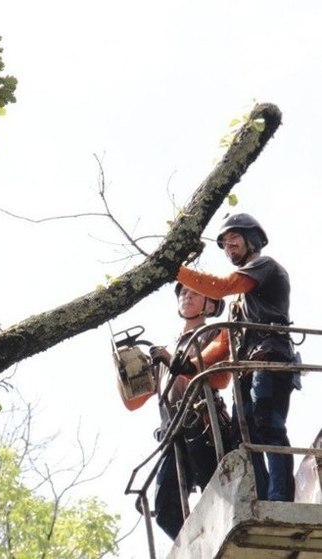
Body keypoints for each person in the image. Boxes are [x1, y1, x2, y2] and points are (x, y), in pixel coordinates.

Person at [176, 212, 299, 502]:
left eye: (234, 239)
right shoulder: (239, 303)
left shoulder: (263, 267)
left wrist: (175, 269)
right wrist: (191, 365)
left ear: (252, 239)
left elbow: (222, 286)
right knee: (244, 437)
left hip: (269, 357)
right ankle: (263, 496)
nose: (229, 247)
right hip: (245, 367)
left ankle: (280, 496)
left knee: (267, 423)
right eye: (225, 244)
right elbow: (223, 345)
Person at [118, 283, 230, 540]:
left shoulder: (214, 333)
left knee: (217, 494)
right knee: (166, 509)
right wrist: (123, 370)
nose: (186, 297)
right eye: (182, 293)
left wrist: (174, 361)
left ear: (210, 305)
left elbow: (219, 378)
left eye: (193, 293)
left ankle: (219, 538)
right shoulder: (167, 347)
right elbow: (133, 401)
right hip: (173, 433)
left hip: (203, 423)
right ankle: (203, 548)